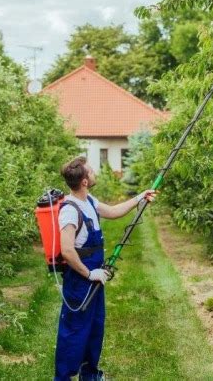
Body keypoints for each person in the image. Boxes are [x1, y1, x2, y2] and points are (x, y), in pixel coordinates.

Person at [54, 156, 157, 381]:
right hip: (80, 279)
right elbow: (67, 251)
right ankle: (62, 378)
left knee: (94, 328)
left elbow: (112, 212)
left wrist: (140, 197)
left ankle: (90, 374)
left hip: (94, 277)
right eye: (91, 171)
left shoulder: (88, 200)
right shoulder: (70, 210)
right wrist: (90, 273)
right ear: (83, 181)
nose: (94, 173)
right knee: (74, 332)